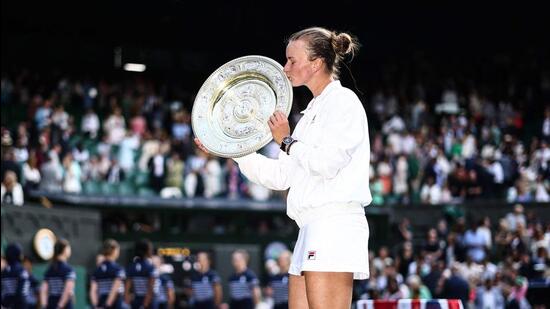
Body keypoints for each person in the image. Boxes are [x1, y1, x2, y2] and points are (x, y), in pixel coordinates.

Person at [195, 26, 371, 309]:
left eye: (292, 60)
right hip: (310, 228)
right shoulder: (310, 114)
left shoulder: (343, 102)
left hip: (334, 226)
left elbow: (327, 164)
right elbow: (281, 176)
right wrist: (231, 149)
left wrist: (287, 142)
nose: (285, 67)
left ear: (316, 64)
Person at [41, 239, 77, 309]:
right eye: (68, 248)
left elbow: (43, 290)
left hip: (51, 305)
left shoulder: (49, 270)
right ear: (65, 250)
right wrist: (60, 305)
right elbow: (68, 290)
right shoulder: (69, 270)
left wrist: (44, 305)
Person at [90, 239, 126, 309]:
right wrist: (107, 305)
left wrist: (96, 306)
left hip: (101, 302)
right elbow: (115, 290)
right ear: (114, 250)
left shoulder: (97, 270)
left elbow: (92, 291)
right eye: (118, 250)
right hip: (115, 303)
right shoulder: (118, 269)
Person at [125, 239, 159, 309]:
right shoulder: (151, 268)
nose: (151, 251)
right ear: (146, 251)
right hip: (150, 302)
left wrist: (127, 301)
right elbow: (150, 289)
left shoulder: (131, 267)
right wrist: (144, 305)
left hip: (136, 301)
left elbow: (127, 289)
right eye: (150, 249)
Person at [1, 243, 30, 309]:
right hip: (20, 304)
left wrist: (5, 304)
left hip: (6, 304)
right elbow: (20, 292)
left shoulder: (4, 271)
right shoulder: (21, 270)